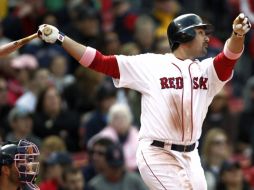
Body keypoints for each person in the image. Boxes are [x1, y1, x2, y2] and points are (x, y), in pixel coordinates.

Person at [37, 12, 251, 189]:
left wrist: (237, 34)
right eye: (201, 32)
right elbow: (100, 61)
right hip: (157, 152)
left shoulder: (206, 71)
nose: (206, 38)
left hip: (191, 154)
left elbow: (229, 57)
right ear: (184, 35)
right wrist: (61, 38)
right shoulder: (151, 65)